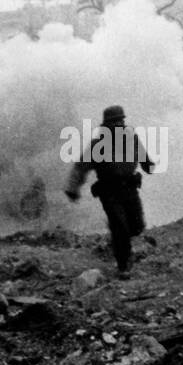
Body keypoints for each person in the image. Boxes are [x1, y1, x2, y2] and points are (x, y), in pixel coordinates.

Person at [65, 105, 154, 277]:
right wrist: (73, 188)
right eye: (114, 123)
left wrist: (148, 164)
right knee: (120, 226)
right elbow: (80, 168)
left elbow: (143, 155)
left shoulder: (131, 139)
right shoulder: (98, 145)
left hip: (129, 189)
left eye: (120, 121)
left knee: (136, 226)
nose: (118, 125)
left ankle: (122, 246)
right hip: (110, 192)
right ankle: (123, 265)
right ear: (106, 126)